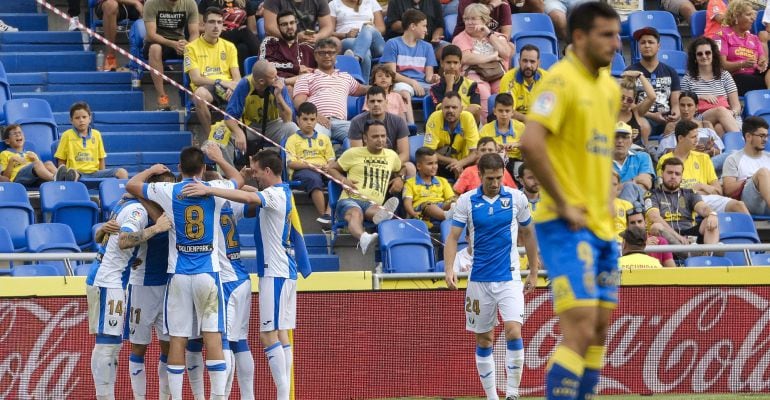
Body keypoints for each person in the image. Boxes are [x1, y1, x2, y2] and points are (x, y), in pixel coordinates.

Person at [519, 3, 622, 399]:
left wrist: (609, 201)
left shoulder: (610, 88)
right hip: (564, 223)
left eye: (616, 34)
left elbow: (600, 150)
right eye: (606, 35)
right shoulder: (558, 82)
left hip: (601, 225)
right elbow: (530, 143)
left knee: (598, 330)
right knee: (579, 326)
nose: (616, 43)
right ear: (579, 37)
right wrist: (562, 202)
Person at [125, 144, 245, 400]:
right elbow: (239, 179)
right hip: (208, 274)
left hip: (178, 275)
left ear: (179, 168)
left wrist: (151, 170)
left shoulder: (169, 190)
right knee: (213, 335)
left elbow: (132, 186)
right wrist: (220, 159)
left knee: (177, 338)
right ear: (203, 169)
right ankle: (218, 397)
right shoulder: (216, 190)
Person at [180, 150, 302, 400]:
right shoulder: (244, 201)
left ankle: (227, 396)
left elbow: (246, 196)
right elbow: (243, 194)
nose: (254, 176)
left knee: (225, 341)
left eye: (257, 171)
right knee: (243, 342)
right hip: (244, 278)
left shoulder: (208, 204)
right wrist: (234, 178)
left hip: (230, 279)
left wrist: (211, 188)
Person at [444, 152, 540, 400]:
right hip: (479, 280)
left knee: (513, 331)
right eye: (490, 179)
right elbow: (453, 238)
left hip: (509, 277)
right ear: (480, 176)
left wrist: (533, 271)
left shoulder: (516, 198)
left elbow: (529, 234)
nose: (495, 183)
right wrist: (449, 270)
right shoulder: (466, 201)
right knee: (485, 339)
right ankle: (491, 396)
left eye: (498, 178)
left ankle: (512, 393)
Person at [86, 188, 173, 400]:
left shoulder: (123, 203)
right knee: (107, 345)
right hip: (108, 280)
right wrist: (157, 229)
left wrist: (127, 258)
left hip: (109, 276)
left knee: (110, 344)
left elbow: (104, 237)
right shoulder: (138, 210)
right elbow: (124, 240)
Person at [122, 171, 176, 400]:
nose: (169, 191)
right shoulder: (141, 212)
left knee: (169, 348)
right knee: (139, 347)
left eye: (172, 186)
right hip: (142, 286)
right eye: (164, 186)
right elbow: (123, 241)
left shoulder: (176, 209)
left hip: (170, 287)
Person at [327, 119, 404, 254]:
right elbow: (331, 169)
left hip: (372, 204)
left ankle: (382, 216)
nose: (380, 140)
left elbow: (402, 167)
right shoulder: (352, 153)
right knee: (356, 213)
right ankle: (363, 237)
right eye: (375, 136)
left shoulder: (391, 156)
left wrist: (399, 178)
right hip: (350, 199)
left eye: (383, 136)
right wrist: (343, 179)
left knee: (376, 212)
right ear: (365, 138)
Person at [657, 120, 749, 214]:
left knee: (739, 205)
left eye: (697, 136)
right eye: (693, 137)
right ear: (680, 138)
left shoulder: (704, 158)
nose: (697, 140)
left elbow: (718, 191)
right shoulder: (665, 160)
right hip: (678, 201)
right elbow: (664, 191)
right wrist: (703, 189)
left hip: (706, 199)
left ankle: (751, 229)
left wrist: (700, 186)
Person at [293, 38, 369, 145]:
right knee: (313, 141)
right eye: (322, 53)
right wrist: (316, 116)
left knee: (361, 136)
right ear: (315, 55)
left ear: (336, 55)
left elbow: (363, 89)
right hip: (316, 121)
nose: (327, 56)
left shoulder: (346, 77)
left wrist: (381, 86)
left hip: (341, 122)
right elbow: (299, 103)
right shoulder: (306, 77)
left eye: (331, 53)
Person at [185, 7, 242, 142]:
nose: (216, 26)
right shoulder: (191, 48)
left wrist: (233, 87)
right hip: (207, 87)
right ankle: (212, 137)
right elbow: (196, 79)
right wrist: (220, 82)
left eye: (219, 22)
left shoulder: (229, 47)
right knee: (199, 96)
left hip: (227, 88)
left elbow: (237, 77)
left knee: (242, 91)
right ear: (203, 25)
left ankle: (240, 136)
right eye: (211, 22)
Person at [452, 3, 514, 122]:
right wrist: (492, 57)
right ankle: (486, 128)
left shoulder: (495, 36)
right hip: (473, 73)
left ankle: (504, 127)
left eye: (473, 19)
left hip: (497, 73)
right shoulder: (460, 38)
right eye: (466, 19)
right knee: (482, 92)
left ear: (484, 20)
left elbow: (506, 53)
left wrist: (489, 34)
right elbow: (466, 58)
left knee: (504, 92)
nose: (469, 22)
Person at [225, 59, 298, 158]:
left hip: (274, 125)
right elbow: (229, 117)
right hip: (249, 126)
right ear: (261, 81)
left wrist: (278, 96)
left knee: (292, 128)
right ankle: (229, 172)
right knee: (222, 134)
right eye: (273, 77)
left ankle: (289, 169)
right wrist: (238, 132)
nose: (277, 79)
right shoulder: (245, 84)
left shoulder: (278, 85)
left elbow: (288, 119)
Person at [644, 157, 720, 245]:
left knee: (710, 221)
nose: (673, 176)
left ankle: (709, 255)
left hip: (689, 233)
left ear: (681, 176)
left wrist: (712, 214)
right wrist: (677, 236)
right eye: (669, 173)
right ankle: (690, 253)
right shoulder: (652, 194)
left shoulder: (690, 193)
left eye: (677, 174)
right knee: (656, 227)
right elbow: (654, 217)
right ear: (662, 173)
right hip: (667, 235)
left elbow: (703, 208)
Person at [143, 0, 200, 110]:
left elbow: (194, 33)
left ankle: (196, 96)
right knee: (155, 48)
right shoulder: (151, 3)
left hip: (179, 41)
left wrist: (188, 45)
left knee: (195, 49)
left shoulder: (190, 3)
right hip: (158, 40)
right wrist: (172, 44)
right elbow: (151, 34)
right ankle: (162, 97)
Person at [285, 102, 336, 225]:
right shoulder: (292, 139)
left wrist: (328, 166)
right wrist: (309, 166)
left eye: (312, 119)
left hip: (323, 169)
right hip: (302, 171)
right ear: (298, 119)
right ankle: (323, 215)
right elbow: (291, 163)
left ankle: (328, 214)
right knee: (313, 179)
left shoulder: (324, 138)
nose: (309, 122)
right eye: (305, 119)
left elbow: (331, 159)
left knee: (338, 177)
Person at [349, 85, 415, 180]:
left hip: (391, 163)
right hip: (367, 164)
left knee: (410, 168)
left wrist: (387, 165)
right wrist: (377, 166)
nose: (376, 104)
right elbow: (357, 153)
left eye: (379, 101)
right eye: (372, 101)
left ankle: (405, 194)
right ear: (367, 104)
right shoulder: (357, 122)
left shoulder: (398, 121)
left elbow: (404, 154)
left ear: (386, 102)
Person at [625, 27, 681, 137]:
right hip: (641, 117)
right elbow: (628, 104)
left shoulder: (670, 71)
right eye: (643, 43)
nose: (647, 45)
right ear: (639, 47)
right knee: (641, 126)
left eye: (650, 42)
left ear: (658, 46)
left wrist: (675, 115)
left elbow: (675, 103)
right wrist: (652, 115)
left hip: (666, 118)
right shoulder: (630, 72)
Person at [681, 36, 741, 135]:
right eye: (699, 54)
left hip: (728, 117)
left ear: (713, 55)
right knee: (720, 111)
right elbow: (683, 105)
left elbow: (736, 105)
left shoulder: (725, 75)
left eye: (708, 52)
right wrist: (700, 97)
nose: (704, 56)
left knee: (719, 128)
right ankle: (741, 143)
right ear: (695, 58)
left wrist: (732, 112)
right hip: (698, 119)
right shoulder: (687, 79)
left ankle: (727, 150)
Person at [54, 102, 129, 180]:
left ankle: (124, 192)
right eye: (77, 118)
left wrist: (102, 178)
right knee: (73, 174)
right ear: (71, 120)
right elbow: (61, 160)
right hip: (76, 172)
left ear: (89, 118)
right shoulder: (67, 135)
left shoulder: (97, 134)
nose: (81, 120)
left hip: (95, 173)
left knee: (122, 172)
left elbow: (101, 158)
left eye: (84, 117)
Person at [657, 91, 727, 169]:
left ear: (696, 107)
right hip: (683, 164)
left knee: (731, 154)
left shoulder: (705, 125)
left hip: (705, 162)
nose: (685, 109)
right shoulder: (672, 126)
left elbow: (719, 151)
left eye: (689, 105)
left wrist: (710, 149)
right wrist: (692, 150)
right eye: (682, 105)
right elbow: (666, 152)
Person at [713, 0, 769, 96]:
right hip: (734, 77)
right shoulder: (721, 35)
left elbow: (762, 59)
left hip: (755, 75)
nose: (753, 19)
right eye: (748, 15)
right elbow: (721, 65)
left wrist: (762, 63)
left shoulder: (754, 38)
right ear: (736, 17)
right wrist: (742, 64)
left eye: (752, 15)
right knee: (744, 79)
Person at [380, 9, 440, 98]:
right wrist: (412, 82)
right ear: (412, 26)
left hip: (422, 85)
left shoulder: (428, 47)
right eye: (423, 26)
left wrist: (433, 79)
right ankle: (408, 112)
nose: (426, 30)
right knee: (405, 92)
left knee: (441, 92)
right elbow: (391, 74)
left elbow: (428, 77)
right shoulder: (392, 43)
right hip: (401, 83)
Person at [423, 91, 479, 178]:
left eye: (454, 107)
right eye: (447, 107)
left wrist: (459, 164)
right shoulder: (434, 118)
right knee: (425, 159)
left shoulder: (468, 118)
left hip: (465, 162)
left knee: (480, 159)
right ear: (441, 108)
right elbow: (429, 152)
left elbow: (475, 152)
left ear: (461, 109)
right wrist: (452, 161)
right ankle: (433, 186)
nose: (450, 110)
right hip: (441, 163)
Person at [198, 0, 260, 76]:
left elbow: (253, 30)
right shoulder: (208, 2)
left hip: (239, 38)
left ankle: (240, 81)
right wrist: (218, 27)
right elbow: (199, 27)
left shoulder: (245, 3)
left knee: (242, 48)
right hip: (218, 36)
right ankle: (264, 58)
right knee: (244, 30)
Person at [723, 116, 770, 216]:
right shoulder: (733, 159)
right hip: (749, 204)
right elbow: (727, 190)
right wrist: (751, 179)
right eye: (761, 136)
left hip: (766, 205)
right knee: (763, 173)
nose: (765, 139)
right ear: (748, 136)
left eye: (767, 136)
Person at [330, 0, 387, 81]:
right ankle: (364, 85)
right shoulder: (334, 4)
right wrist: (346, 34)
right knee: (366, 52)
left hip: (375, 43)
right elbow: (329, 31)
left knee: (367, 28)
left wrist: (367, 30)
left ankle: (355, 59)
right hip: (349, 39)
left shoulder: (372, 2)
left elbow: (382, 28)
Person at [259, 10, 317, 88]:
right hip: (278, 88)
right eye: (284, 24)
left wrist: (309, 73)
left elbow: (324, 70)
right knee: (288, 88)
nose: (289, 27)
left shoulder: (307, 48)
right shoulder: (270, 43)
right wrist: (296, 68)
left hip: (308, 88)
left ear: (296, 24)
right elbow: (263, 65)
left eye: (292, 23)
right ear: (278, 27)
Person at [0, 124, 72, 186]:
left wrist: (35, 159)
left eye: (20, 133)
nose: (18, 135)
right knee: (37, 163)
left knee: (48, 163)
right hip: (17, 178)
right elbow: (5, 177)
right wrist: (11, 161)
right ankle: (58, 180)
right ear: (7, 141)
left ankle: (65, 178)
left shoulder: (30, 153)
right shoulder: (5, 154)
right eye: (14, 134)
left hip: (35, 178)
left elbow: (41, 169)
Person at [403, 147, 456, 227]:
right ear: (419, 166)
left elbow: (451, 198)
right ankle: (448, 217)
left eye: (436, 163)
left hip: (441, 207)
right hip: (422, 210)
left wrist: (454, 202)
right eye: (430, 164)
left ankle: (454, 216)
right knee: (430, 206)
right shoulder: (410, 183)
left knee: (456, 201)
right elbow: (407, 202)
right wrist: (413, 213)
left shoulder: (442, 181)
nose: (434, 166)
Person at [430, 44, 482, 124]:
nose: (452, 66)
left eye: (455, 62)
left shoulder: (471, 84)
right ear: (441, 63)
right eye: (448, 62)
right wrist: (449, 85)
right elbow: (445, 112)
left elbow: (476, 109)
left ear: (460, 64)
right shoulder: (435, 87)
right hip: (445, 127)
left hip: (467, 125)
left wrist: (456, 113)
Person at [499, 45, 548, 123]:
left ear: (538, 63)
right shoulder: (508, 79)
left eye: (532, 62)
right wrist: (528, 120)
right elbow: (507, 110)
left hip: (541, 122)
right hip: (515, 123)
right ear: (519, 61)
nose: (528, 65)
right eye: (525, 61)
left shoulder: (547, 79)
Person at [479, 93, 524, 177]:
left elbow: (529, 147)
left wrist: (517, 145)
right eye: (500, 110)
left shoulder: (521, 127)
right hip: (492, 163)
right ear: (494, 111)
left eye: (507, 111)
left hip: (515, 163)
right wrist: (494, 148)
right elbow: (479, 152)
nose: (504, 114)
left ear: (512, 112)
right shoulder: (485, 130)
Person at [613, 122, 655, 209]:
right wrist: (634, 180)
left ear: (631, 140)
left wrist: (618, 187)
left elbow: (646, 184)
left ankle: (622, 217)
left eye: (624, 137)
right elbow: (605, 191)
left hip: (640, 199)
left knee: (630, 188)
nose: (620, 141)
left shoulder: (643, 156)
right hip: (612, 202)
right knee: (635, 204)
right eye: (616, 137)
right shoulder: (602, 161)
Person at [95, 0, 143, 71]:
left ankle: (148, 59)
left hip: (135, 6)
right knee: (110, 5)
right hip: (108, 4)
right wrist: (135, 2)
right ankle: (110, 57)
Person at [262, 0, 334, 44]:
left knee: (335, 42)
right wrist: (293, 38)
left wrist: (317, 37)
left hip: (310, 41)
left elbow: (327, 26)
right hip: (282, 41)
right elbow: (270, 27)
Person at [617, 71, 656, 147]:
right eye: (622, 98)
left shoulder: (635, 111)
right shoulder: (608, 111)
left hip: (636, 153)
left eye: (629, 100)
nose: (625, 102)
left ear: (634, 100)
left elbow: (652, 97)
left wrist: (640, 75)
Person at [612, 171, 634, 243]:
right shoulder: (594, 205)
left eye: (614, 184)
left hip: (624, 245)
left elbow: (634, 228)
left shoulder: (627, 205)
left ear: (618, 186)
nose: (611, 188)